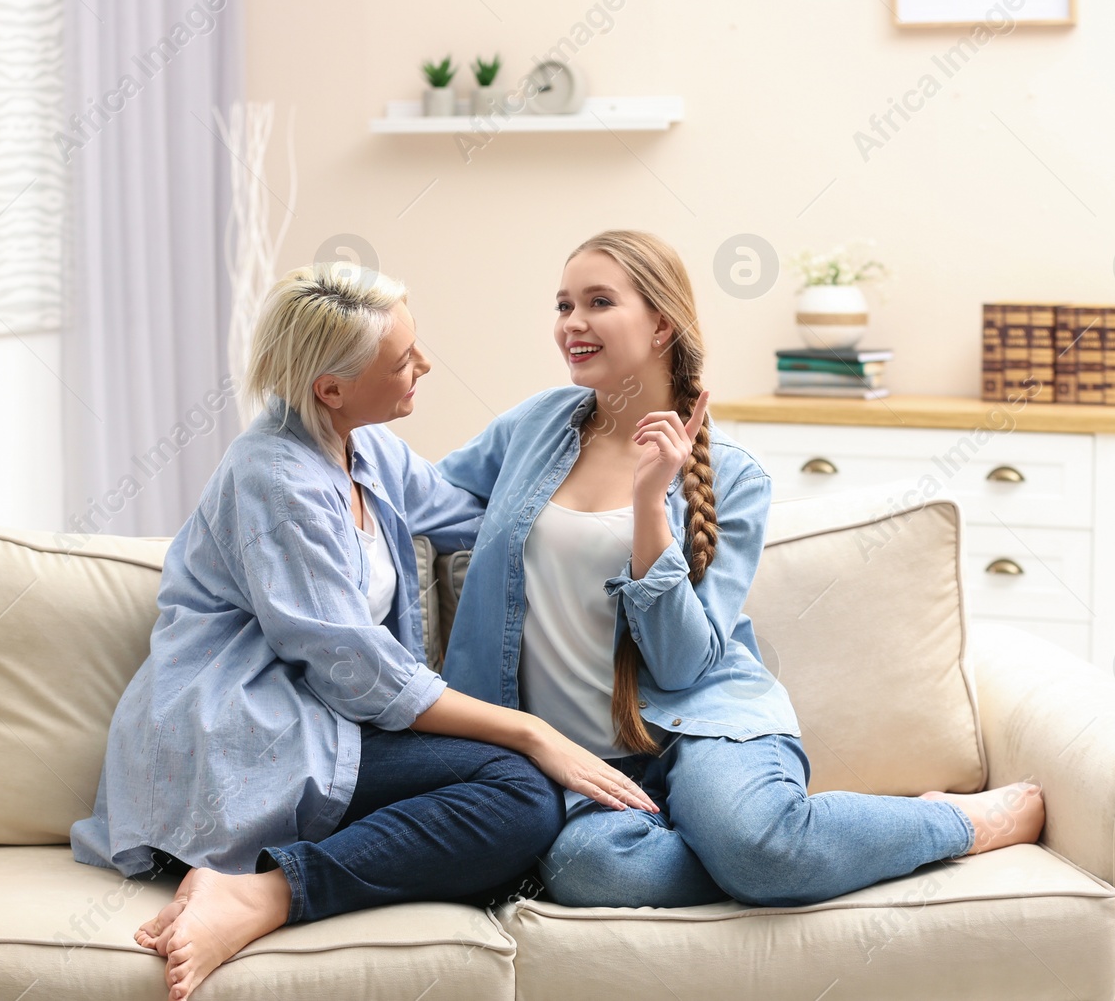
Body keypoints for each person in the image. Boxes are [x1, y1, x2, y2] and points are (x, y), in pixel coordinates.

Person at [70, 262, 658, 1001]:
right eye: (403, 361)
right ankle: (265, 895)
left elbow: (478, 521)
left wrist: (620, 523)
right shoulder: (277, 479)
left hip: (322, 720)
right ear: (331, 388)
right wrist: (531, 731)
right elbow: (357, 670)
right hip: (244, 729)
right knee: (522, 793)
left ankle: (262, 882)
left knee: (520, 797)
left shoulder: (366, 447)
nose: (425, 366)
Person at [435, 230, 1046, 909]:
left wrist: (648, 507)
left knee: (757, 846)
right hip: (584, 761)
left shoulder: (733, 476)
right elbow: (422, 497)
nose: (572, 324)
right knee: (592, 870)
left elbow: (683, 667)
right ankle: (795, 848)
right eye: (563, 304)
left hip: (706, 722)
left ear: (661, 322)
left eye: (598, 301)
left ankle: (952, 822)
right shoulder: (535, 426)